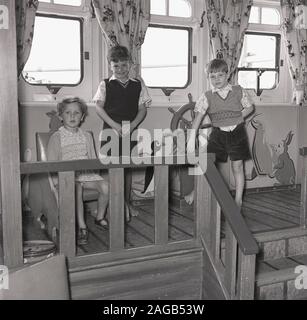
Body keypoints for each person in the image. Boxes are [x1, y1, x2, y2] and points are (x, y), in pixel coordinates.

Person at [93, 45, 151, 220]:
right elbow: (98, 107)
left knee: (126, 169)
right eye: (116, 65)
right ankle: (106, 206)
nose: (120, 69)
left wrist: (132, 126)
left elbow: (143, 110)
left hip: (130, 130)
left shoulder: (138, 85)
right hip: (110, 130)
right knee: (110, 168)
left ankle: (126, 203)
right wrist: (114, 126)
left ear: (130, 64)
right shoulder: (105, 84)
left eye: (124, 65)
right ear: (110, 65)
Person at [187, 58, 254, 208]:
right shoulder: (207, 96)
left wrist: (238, 117)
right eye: (212, 76)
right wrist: (191, 138)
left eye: (220, 75)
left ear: (227, 74)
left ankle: (238, 200)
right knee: (205, 162)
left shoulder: (238, 91)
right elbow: (198, 118)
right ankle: (196, 191)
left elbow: (249, 108)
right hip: (218, 134)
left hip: (237, 133)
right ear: (208, 77)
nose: (216, 79)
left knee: (237, 166)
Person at [47, 97, 109, 245]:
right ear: (61, 116)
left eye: (76, 113)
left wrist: (98, 175)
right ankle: (82, 226)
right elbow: (50, 163)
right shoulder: (57, 137)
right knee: (77, 188)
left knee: (106, 186)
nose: (72, 116)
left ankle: (99, 217)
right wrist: (56, 183)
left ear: (82, 117)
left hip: (86, 174)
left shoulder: (86, 136)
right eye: (68, 113)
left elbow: (93, 159)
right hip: (66, 176)